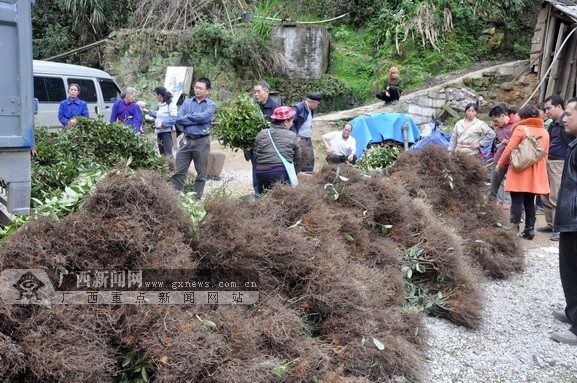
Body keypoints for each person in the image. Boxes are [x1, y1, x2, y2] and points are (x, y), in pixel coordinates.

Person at [495, 105, 550, 240]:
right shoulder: (544, 132)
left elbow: (509, 149)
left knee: (517, 201)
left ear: (523, 116)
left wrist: (500, 164)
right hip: (536, 172)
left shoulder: (521, 129)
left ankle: (513, 230)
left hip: (520, 170)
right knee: (530, 202)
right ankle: (530, 230)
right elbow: (545, 155)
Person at [550, 96, 577, 345]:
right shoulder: (574, 143)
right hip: (570, 218)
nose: (563, 118)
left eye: (569, 113)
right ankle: (572, 313)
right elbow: (564, 133)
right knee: (569, 271)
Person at [170, 78, 216, 199]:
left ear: (208, 90)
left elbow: (204, 118)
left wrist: (189, 118)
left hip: (202, 142)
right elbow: (179, 119)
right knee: (179, 171)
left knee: (201, 173)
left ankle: (196, 200)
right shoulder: (187, 103)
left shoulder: (210, 105)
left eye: (200, 88)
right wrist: (195, 120)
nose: (197, 90)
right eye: (196, 87)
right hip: (186, 140)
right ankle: (176, 198)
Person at [538, 95, 573, 241]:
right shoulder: (553, 123)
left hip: (559, 163)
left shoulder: (568, 123)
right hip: (549, 161)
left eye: (549, 108)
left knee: (556, 196)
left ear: (559, 107)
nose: (546, 112)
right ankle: (551, 224)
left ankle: (559, 228)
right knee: (544, 194)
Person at [254, 106, 301, 193]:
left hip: (261, 172)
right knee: (282, 200)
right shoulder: (292, 135)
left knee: (264, 199)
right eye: (291, 121)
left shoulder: (261, 133)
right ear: (286, 122)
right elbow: (298, 156)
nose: (292, 124)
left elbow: (256, 154)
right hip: (280, 173)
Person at [246, 80, 282, 194]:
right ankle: (258, 195)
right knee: (256, 172)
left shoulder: (275, 108)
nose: (256, 94)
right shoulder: (250, 108)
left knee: (270, 174)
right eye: (254, 92)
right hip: (255, 149)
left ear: (267, 92)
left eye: (258, 92)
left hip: (270, 149)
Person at [487, 105, 515, 206]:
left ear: (503, 116)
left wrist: (511, 143)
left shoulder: (516, 125)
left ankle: (515, 214)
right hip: (498, 160)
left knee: (512, 188)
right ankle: (489, 209)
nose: (495, 123)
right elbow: (496, 141)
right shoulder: (498, 129)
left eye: (496, 121)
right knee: (493, 187)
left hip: (513, 161)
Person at [142, 87, 177, 158]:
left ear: (160, 95)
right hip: (160, 132)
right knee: (162, 154)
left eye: (156, 94)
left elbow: (174, 118)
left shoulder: (171, 105)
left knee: (168, 154)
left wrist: (163, 124)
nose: (155, 96)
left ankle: (172, 168)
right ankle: (165, 167)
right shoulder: (162, 105)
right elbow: (158, 114)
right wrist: (148, 111)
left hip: (167, 132)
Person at [292, 92, 321, 173]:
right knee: (300, 159)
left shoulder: (310, 110)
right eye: (317, 104)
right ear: (312, 102)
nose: (317, 106)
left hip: (307, 137)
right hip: (299, 138)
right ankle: (299, 177)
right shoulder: (298, 108)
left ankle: (307, 177)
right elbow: (290, 123)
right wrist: (295, 136)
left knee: (310, 160)